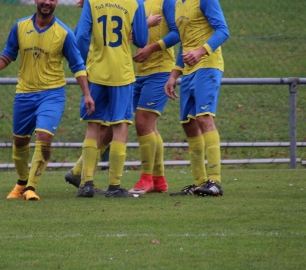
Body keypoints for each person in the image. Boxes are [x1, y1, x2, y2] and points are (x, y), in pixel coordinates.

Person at [0, 0, 94, 201]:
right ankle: (21, 182)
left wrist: (86, 93)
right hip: (24, 93)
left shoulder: (64, 33)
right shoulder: (20, 26)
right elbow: (9, 52)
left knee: (44, 137)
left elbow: (77, 65)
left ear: (56, 3)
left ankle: (30, 188)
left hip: (52, 94)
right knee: (20, 141)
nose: (47, 2)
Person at [74, 0, 149, 198]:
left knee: (93, 124)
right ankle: (114, 186)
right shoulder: (136, 3)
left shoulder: (92, 1)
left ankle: (86, 183)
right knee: (120, 125)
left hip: (96, 71)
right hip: (121, 74)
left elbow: (81, 35)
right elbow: (142, 39)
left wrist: (83, 63)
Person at [164, 0, 229, 196]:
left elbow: (223, 31)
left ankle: (215, 182)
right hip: (189, 70)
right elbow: (184, 43)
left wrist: (201, 51)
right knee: (188, 123)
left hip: (208, 64)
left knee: (204, 117)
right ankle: (199, 182)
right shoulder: (177, 4)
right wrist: (174, 74)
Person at [127, 0, 180, 195]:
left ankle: (146, 178)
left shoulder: (167, 2)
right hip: (140, 72)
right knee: (149, 127)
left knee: (142, 122)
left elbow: (177, 33)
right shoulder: (136, 3)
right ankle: (159, 180)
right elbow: (131, 34)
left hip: (160, 72)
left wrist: (151, 48)